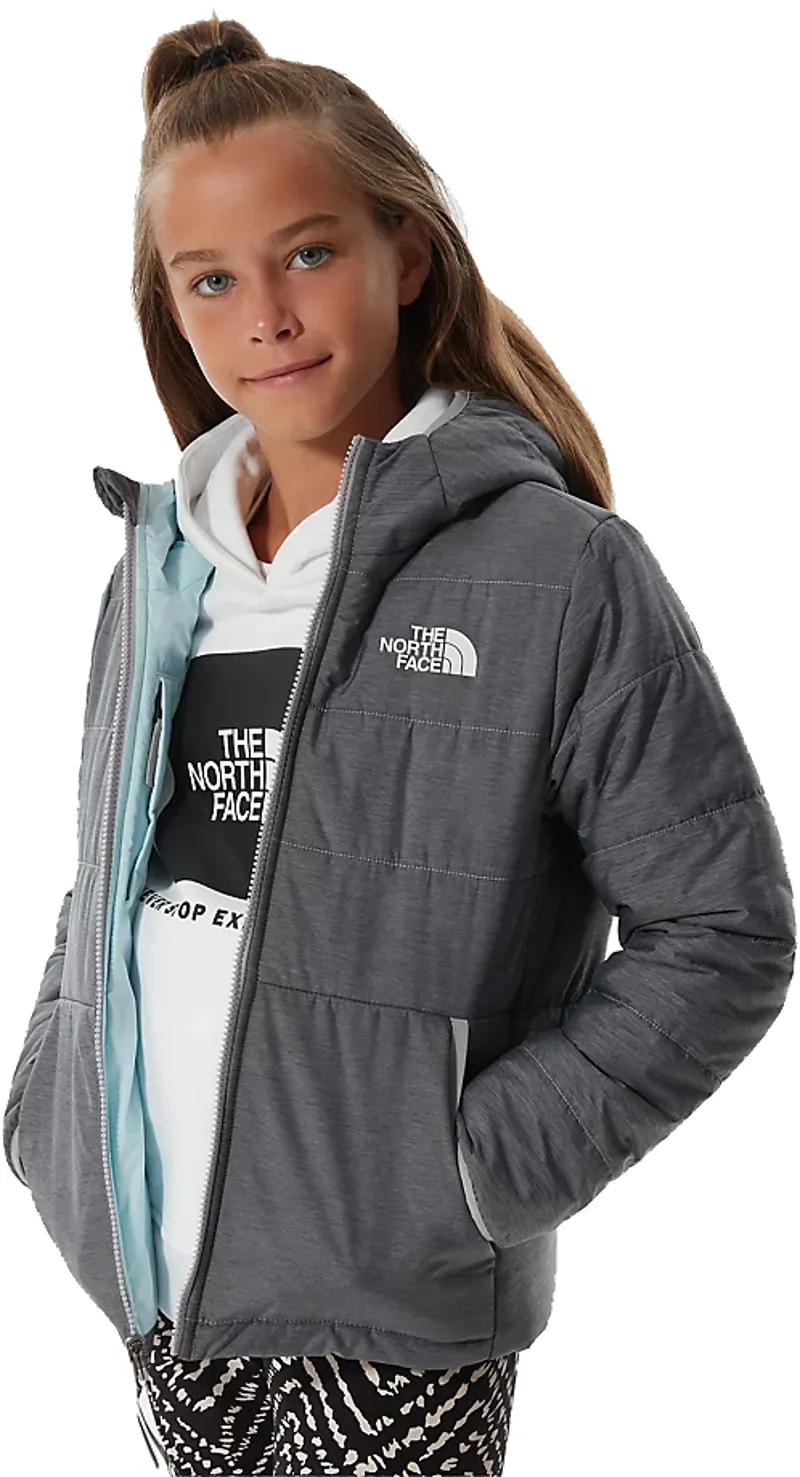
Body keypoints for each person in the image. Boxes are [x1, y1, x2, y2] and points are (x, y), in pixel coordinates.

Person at [3, 11, 795, 1477]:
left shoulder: (559, 570)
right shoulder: (157, 569)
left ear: (408, 254)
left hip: (392, 1309)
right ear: (169, 304)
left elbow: (723, 928)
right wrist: (50, 1098)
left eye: (307, 253)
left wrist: (471, 1174)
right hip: (153, 1268)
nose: (265, 316)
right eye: (211, 278)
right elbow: (110, 872)